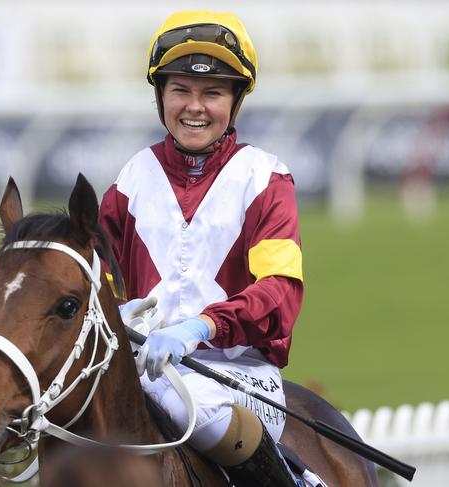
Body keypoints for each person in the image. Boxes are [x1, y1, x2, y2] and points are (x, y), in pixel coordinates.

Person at [99, 10, 304, 487]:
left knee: (189, 406)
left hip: (240, 376)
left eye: (212, 92)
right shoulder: (132, 178)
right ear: (160, 98)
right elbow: (97, 274)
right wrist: (115, 309)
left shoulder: (265, 179)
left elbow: (280, 293)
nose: (195, 106)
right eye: (180, 91)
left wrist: (201, 326)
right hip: (142, 369)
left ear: (235, 101)